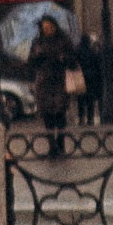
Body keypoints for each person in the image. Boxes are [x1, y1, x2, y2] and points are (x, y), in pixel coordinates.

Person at [30, 13, 74, 157]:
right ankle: (52, 146)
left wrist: (64, 59)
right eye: (45, 28)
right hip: (44, 83)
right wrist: (37, 57)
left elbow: (73, 59)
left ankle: (61, 144)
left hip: (59, 81)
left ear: (55, 27)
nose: (47, 30)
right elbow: (31, 62)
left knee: (60, 114)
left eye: (50, 27)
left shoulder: (64, 40)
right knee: (47, 115)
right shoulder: (37, 42)